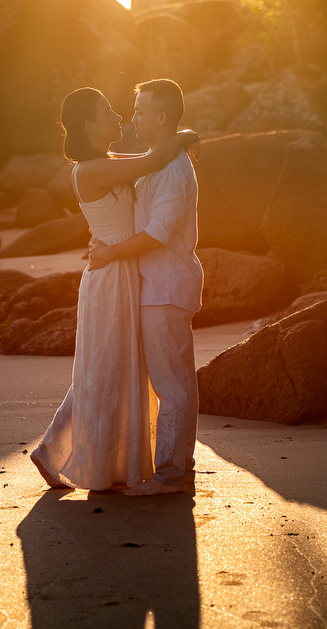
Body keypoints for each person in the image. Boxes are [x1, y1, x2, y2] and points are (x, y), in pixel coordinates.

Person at [30, 87, 199, 491]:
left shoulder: (114, 163)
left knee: (110, 366)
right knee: (103, 366)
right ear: (89, 124)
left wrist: (179, 136)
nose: (123, 117)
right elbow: (152, 160)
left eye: (136, 111)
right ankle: (60, 452)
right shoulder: (92, 170)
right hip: (112, 278)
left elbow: (150, 161)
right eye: (109, 112)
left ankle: (61, 451)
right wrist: (183, 135)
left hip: (131, 275)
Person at [87, 79, 202, 497]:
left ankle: (171, 474)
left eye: (139, 111)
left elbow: (158, 233)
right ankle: (178, 467)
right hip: (157, 285)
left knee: (170, 384)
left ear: (161, 116)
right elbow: (118, 162)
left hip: (165, 286)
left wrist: (109, 253)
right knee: (174, 380)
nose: (132, 118)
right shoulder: (160, 159)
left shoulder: (172, 169)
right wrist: (184, 135)